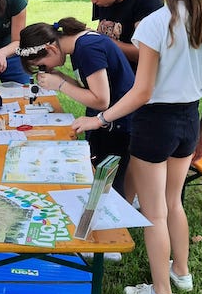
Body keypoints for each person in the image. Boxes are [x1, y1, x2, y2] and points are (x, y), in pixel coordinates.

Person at [72, 0, 202, 294]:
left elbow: (142, 92)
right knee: (173, 202)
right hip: (188, 119)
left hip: (155, 123)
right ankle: (181, 271)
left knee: (154, 211)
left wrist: (100, 119)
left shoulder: (155, 24)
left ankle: (161, 292)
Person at [17, 18, 135, 198]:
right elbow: (89, 89)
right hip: (109, 122)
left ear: (51, 49)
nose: (44, 69)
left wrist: (61, 85)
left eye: (41, 65)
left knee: (109, 188)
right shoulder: (78, 45)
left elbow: (101, 100)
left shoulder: (87, 49)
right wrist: (62, 78)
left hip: (119, 125)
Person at [78, 0, 163, 69]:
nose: (93, 1)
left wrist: (103, 41)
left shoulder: (146, 0)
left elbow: (146, 53)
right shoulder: (105, 0)